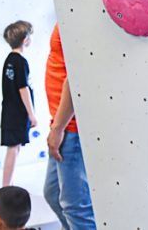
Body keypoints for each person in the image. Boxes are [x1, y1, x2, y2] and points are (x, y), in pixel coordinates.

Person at [43, 23, 96, 229]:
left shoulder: (78, 14)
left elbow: (75, 78)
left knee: (75, 206)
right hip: (62, 124)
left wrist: (58, 128)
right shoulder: (67, 10)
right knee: (53, 194)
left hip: (70, 128)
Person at [0, 21, 37, 187]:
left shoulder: (10, 60)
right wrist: (32, 114)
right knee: (13, 149)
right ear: (25, 39)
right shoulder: (20, 62)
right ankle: (6, 187)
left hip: (9, 111)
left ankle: (9, 184)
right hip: (17, 113)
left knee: (14, 148)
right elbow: (24, 89)